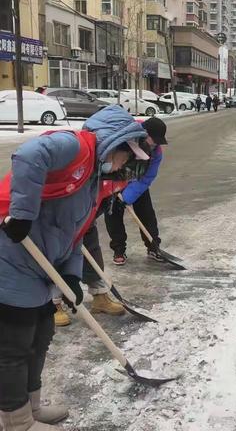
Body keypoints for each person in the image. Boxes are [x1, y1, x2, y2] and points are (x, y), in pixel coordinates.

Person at [0, 105, 147, 429]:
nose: (124, 165)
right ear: (115, 143)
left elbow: (74, 235)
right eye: (126, 156)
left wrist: (69, 276)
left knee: (41, 337)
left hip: (38, 266)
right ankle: (17, 422)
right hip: (10, 258)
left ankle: (31, 408)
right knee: (14, 347)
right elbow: (28, 155)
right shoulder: (76, 145)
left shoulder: (92, 183)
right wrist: (22, 214)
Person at [104, 117, 168, 266]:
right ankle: (119, 250)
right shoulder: (125, 138)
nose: (157, 144)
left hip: (137, 182)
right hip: (115, 178)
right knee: (112, 213)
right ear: (145, 133)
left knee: (147, 213)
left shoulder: (156, 152)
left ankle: (153, 246)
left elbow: (147, 178)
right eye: (155, 139)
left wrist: (127, 197)